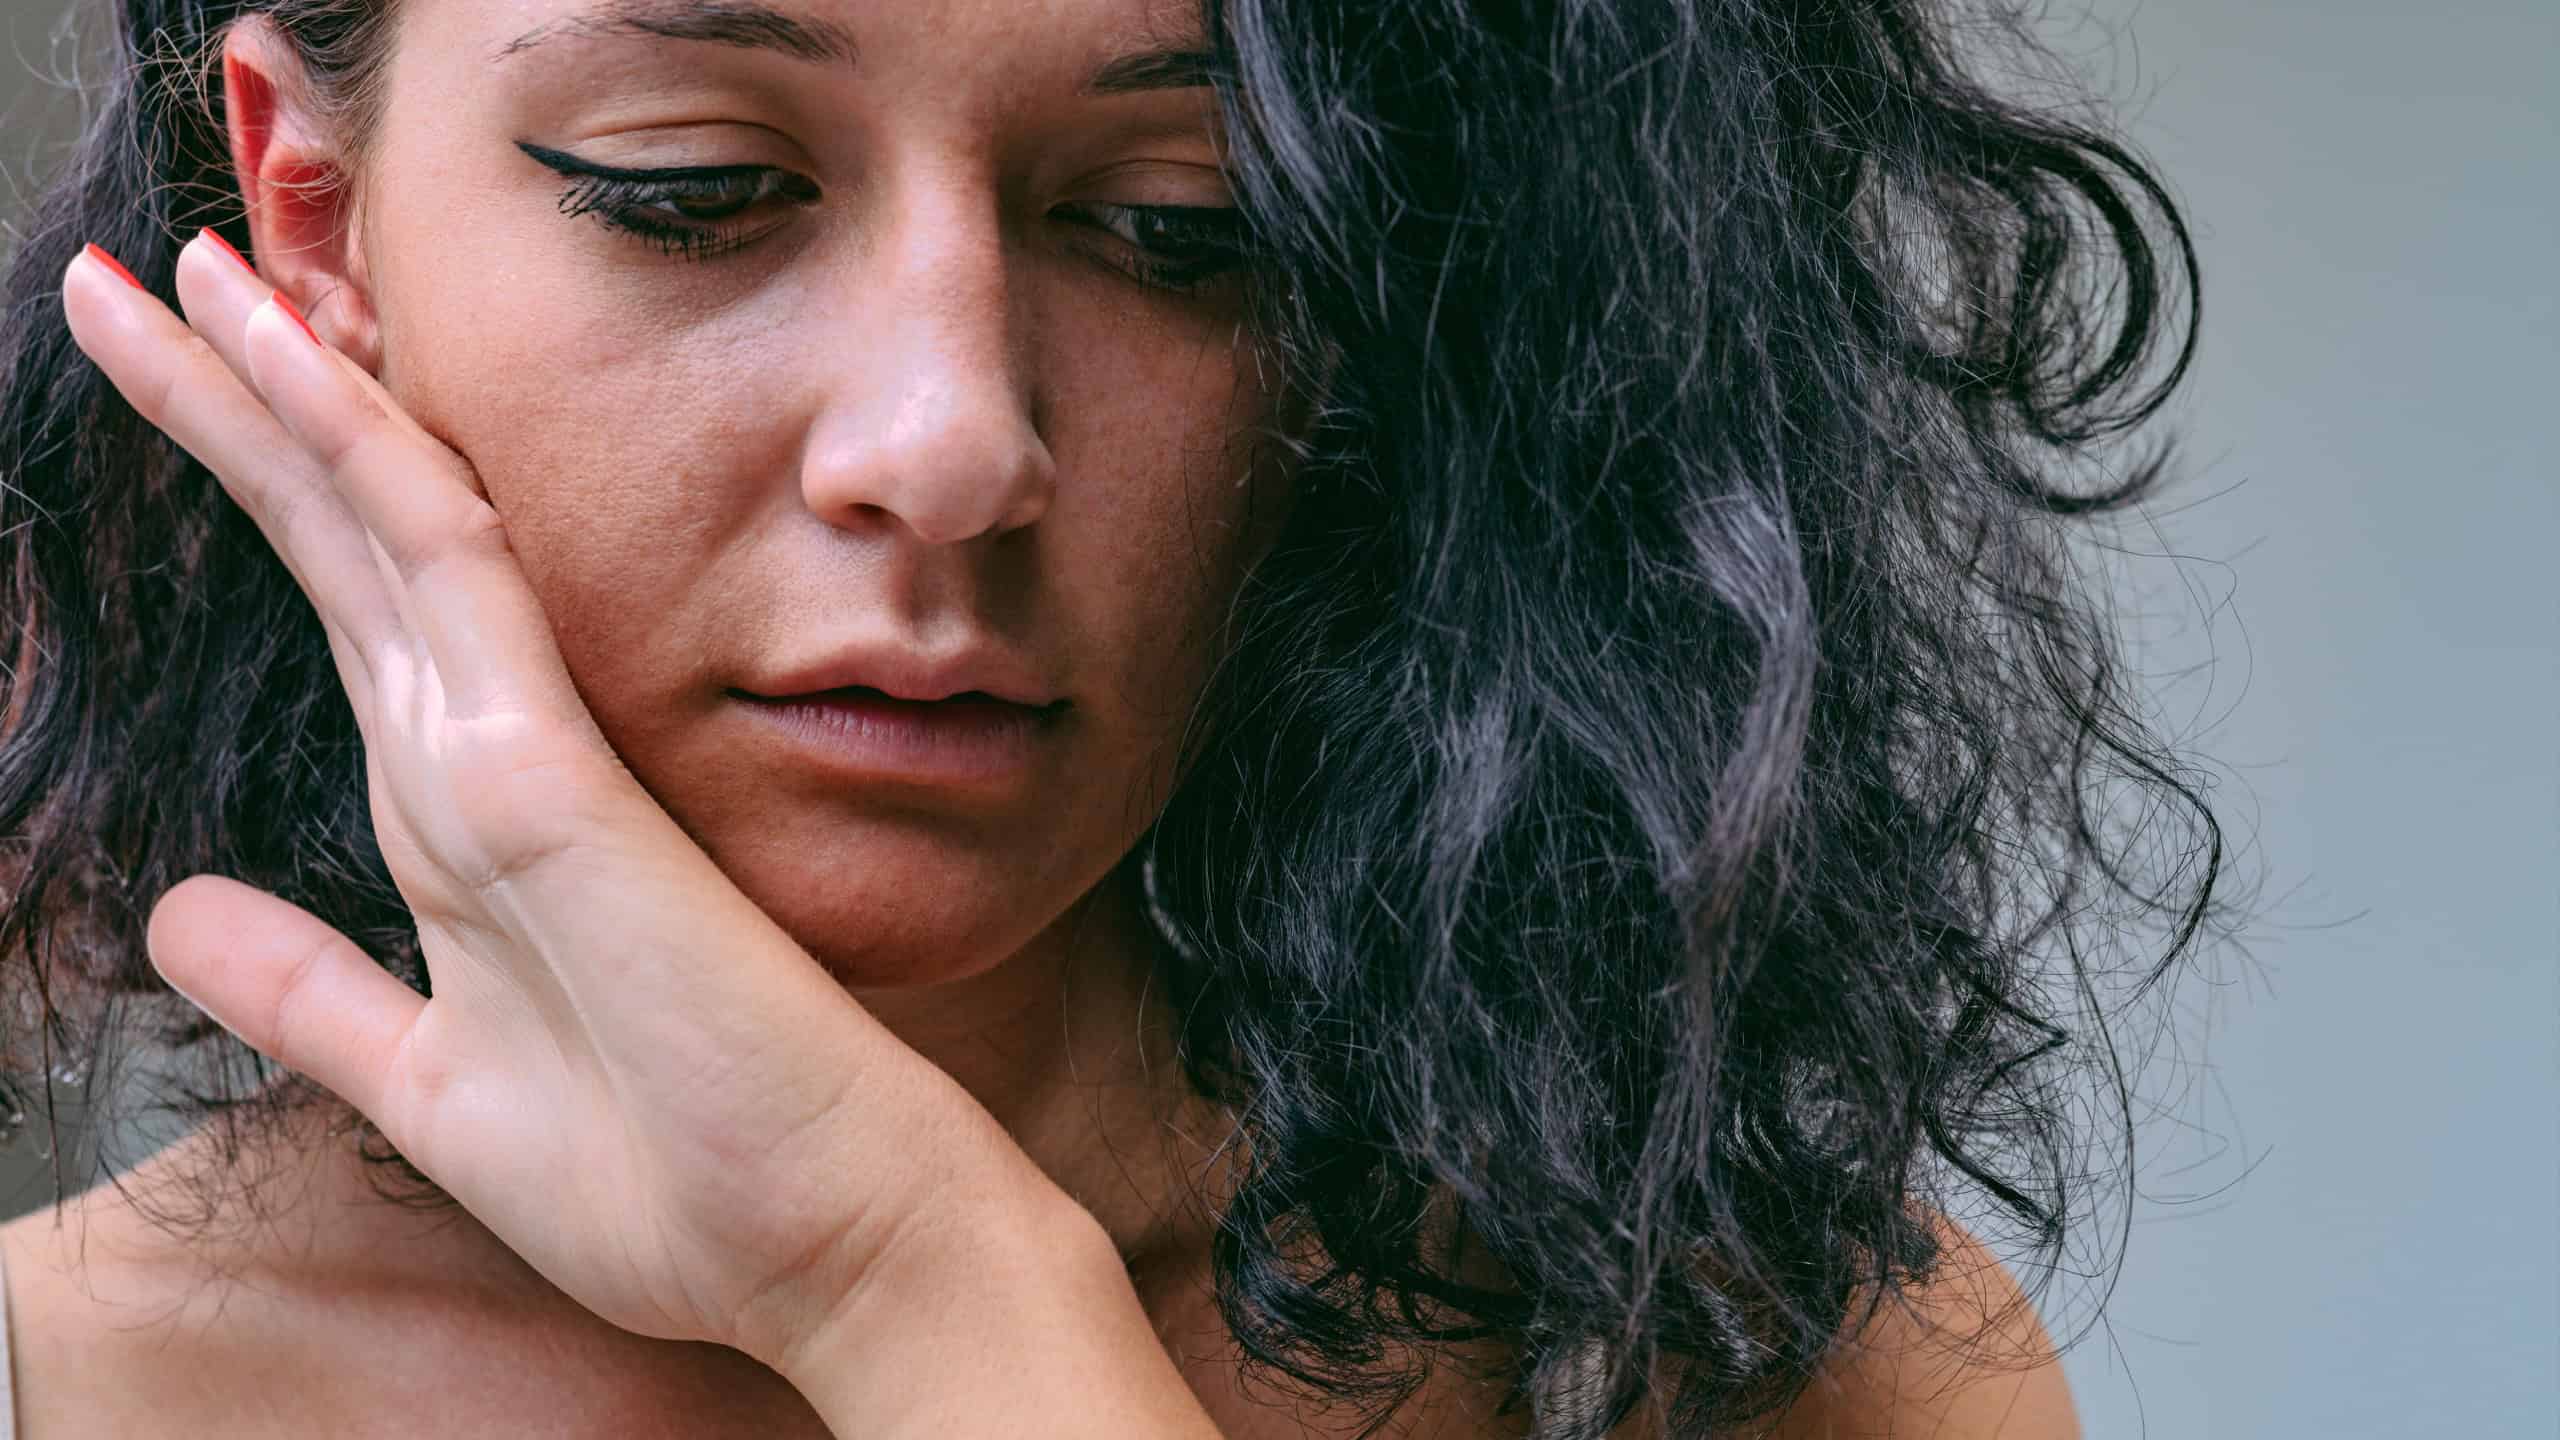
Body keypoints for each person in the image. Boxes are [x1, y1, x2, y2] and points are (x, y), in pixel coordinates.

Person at [0, 0, 2223, 1434]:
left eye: (1179, 229)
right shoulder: (66, 1381)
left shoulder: (1755, 1370)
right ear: (312, 218)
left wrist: (910, 1283)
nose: (953, 440)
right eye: (698, 191)